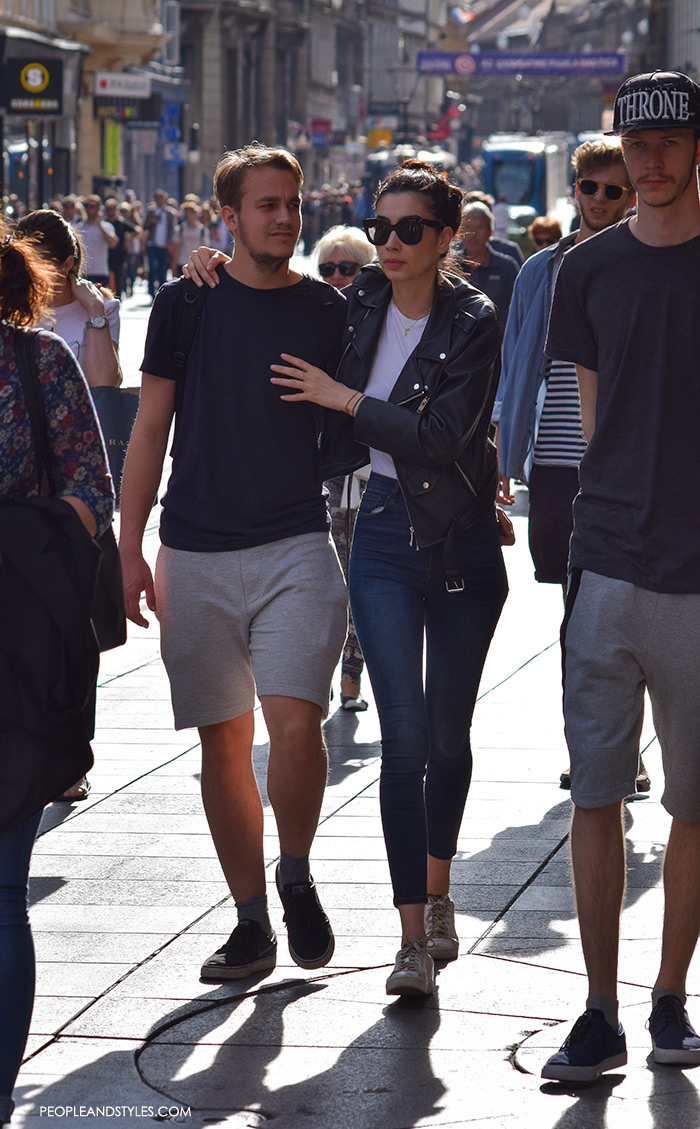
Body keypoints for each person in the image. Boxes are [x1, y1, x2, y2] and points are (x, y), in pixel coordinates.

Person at [269, 159, 509, 997]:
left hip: (462, 545)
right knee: (402, 742)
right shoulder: (360, 297)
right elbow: (278, 297)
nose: (392, 243)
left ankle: (440, 890)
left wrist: (343, 399)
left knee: (447, 739)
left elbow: (442, 436)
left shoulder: (476, 317)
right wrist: (204, 270)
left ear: (445, 239)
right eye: (382, 228)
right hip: (378, 537)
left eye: (412, 229)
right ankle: (413, 936)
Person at [118, 144, 348, 982]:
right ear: (229, 215)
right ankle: (249, 920)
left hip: (295, 541)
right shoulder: (185, 303)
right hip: (195, 549)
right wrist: (128, 546)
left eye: (291, 204)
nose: (284, 218)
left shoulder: (326, 309)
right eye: (265, 205)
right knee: (223, 742)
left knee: (297, 722)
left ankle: (294, 871)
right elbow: (149, 431)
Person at [540, 70, 700, 1083]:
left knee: (694, 802)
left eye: (668, 141)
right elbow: (595, 426)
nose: (647, 161)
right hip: (605, 562)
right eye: (633, 145)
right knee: (594, 793)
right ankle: (595, 1008)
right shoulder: (584, 271)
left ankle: (671, 999)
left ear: (694, 146)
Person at [0, 215, 113, 1128]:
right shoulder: (43, 369)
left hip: (21, 662)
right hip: (29, 657)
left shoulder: (43, 366)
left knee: (2, 892)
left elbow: (92, 499)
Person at [494, 141, 651, 793]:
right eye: (591, 188)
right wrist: (503, 456)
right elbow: (516, 361)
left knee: (623, 611)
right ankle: (590, 745)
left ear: (633, 196)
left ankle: (618, 750)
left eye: (615, 191)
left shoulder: (648, 265)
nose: (600, 201)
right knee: (578, 614)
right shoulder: (541, 271)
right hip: (556, 471)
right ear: (577, 191)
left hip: (627, 468)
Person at [16, 209, 122, 802]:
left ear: (67, 264)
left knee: (77, 631)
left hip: (77, 490)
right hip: (28, 496)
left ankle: (71, 755)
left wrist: (99, 318)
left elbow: (105, 383)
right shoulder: (16, 315)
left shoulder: (91, 312)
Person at [314, 225, 375, 709]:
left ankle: (351, 675)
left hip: (370, 470)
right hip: (320, 472)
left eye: (348, 268)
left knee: (359, 576)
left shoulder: (378, 324)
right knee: (326, 578)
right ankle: (320, 673)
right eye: (327, 269)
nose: (337, 278)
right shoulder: (312, 318)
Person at [456, 202, 520, 336]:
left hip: (497, 343)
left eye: (479, 227)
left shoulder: (507, 266)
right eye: (468, 227)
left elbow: (519, 310)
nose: (473, 234)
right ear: (460, 232)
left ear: (490, 232)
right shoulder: (451, 265)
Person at [75, 196, 118, 287]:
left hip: (100, 272)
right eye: (87, 206)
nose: (89, 209)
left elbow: (113, 243)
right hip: (83, 273)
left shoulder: (107, 227)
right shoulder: (78, 227)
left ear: (98, 208)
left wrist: (99, 225)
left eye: (92, 206)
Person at [144, 189, 177, 298]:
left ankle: (162, 292)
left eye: (160, 197)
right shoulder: (151, 212)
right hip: (152, 244)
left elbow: (172, 229)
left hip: (164, 245)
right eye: (156, 198)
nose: (158, 200)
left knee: (162, 269)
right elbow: (144, 226)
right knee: (152, 268)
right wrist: (151, 222)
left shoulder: (170, 213)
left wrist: (170, 242)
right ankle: (151, 290)